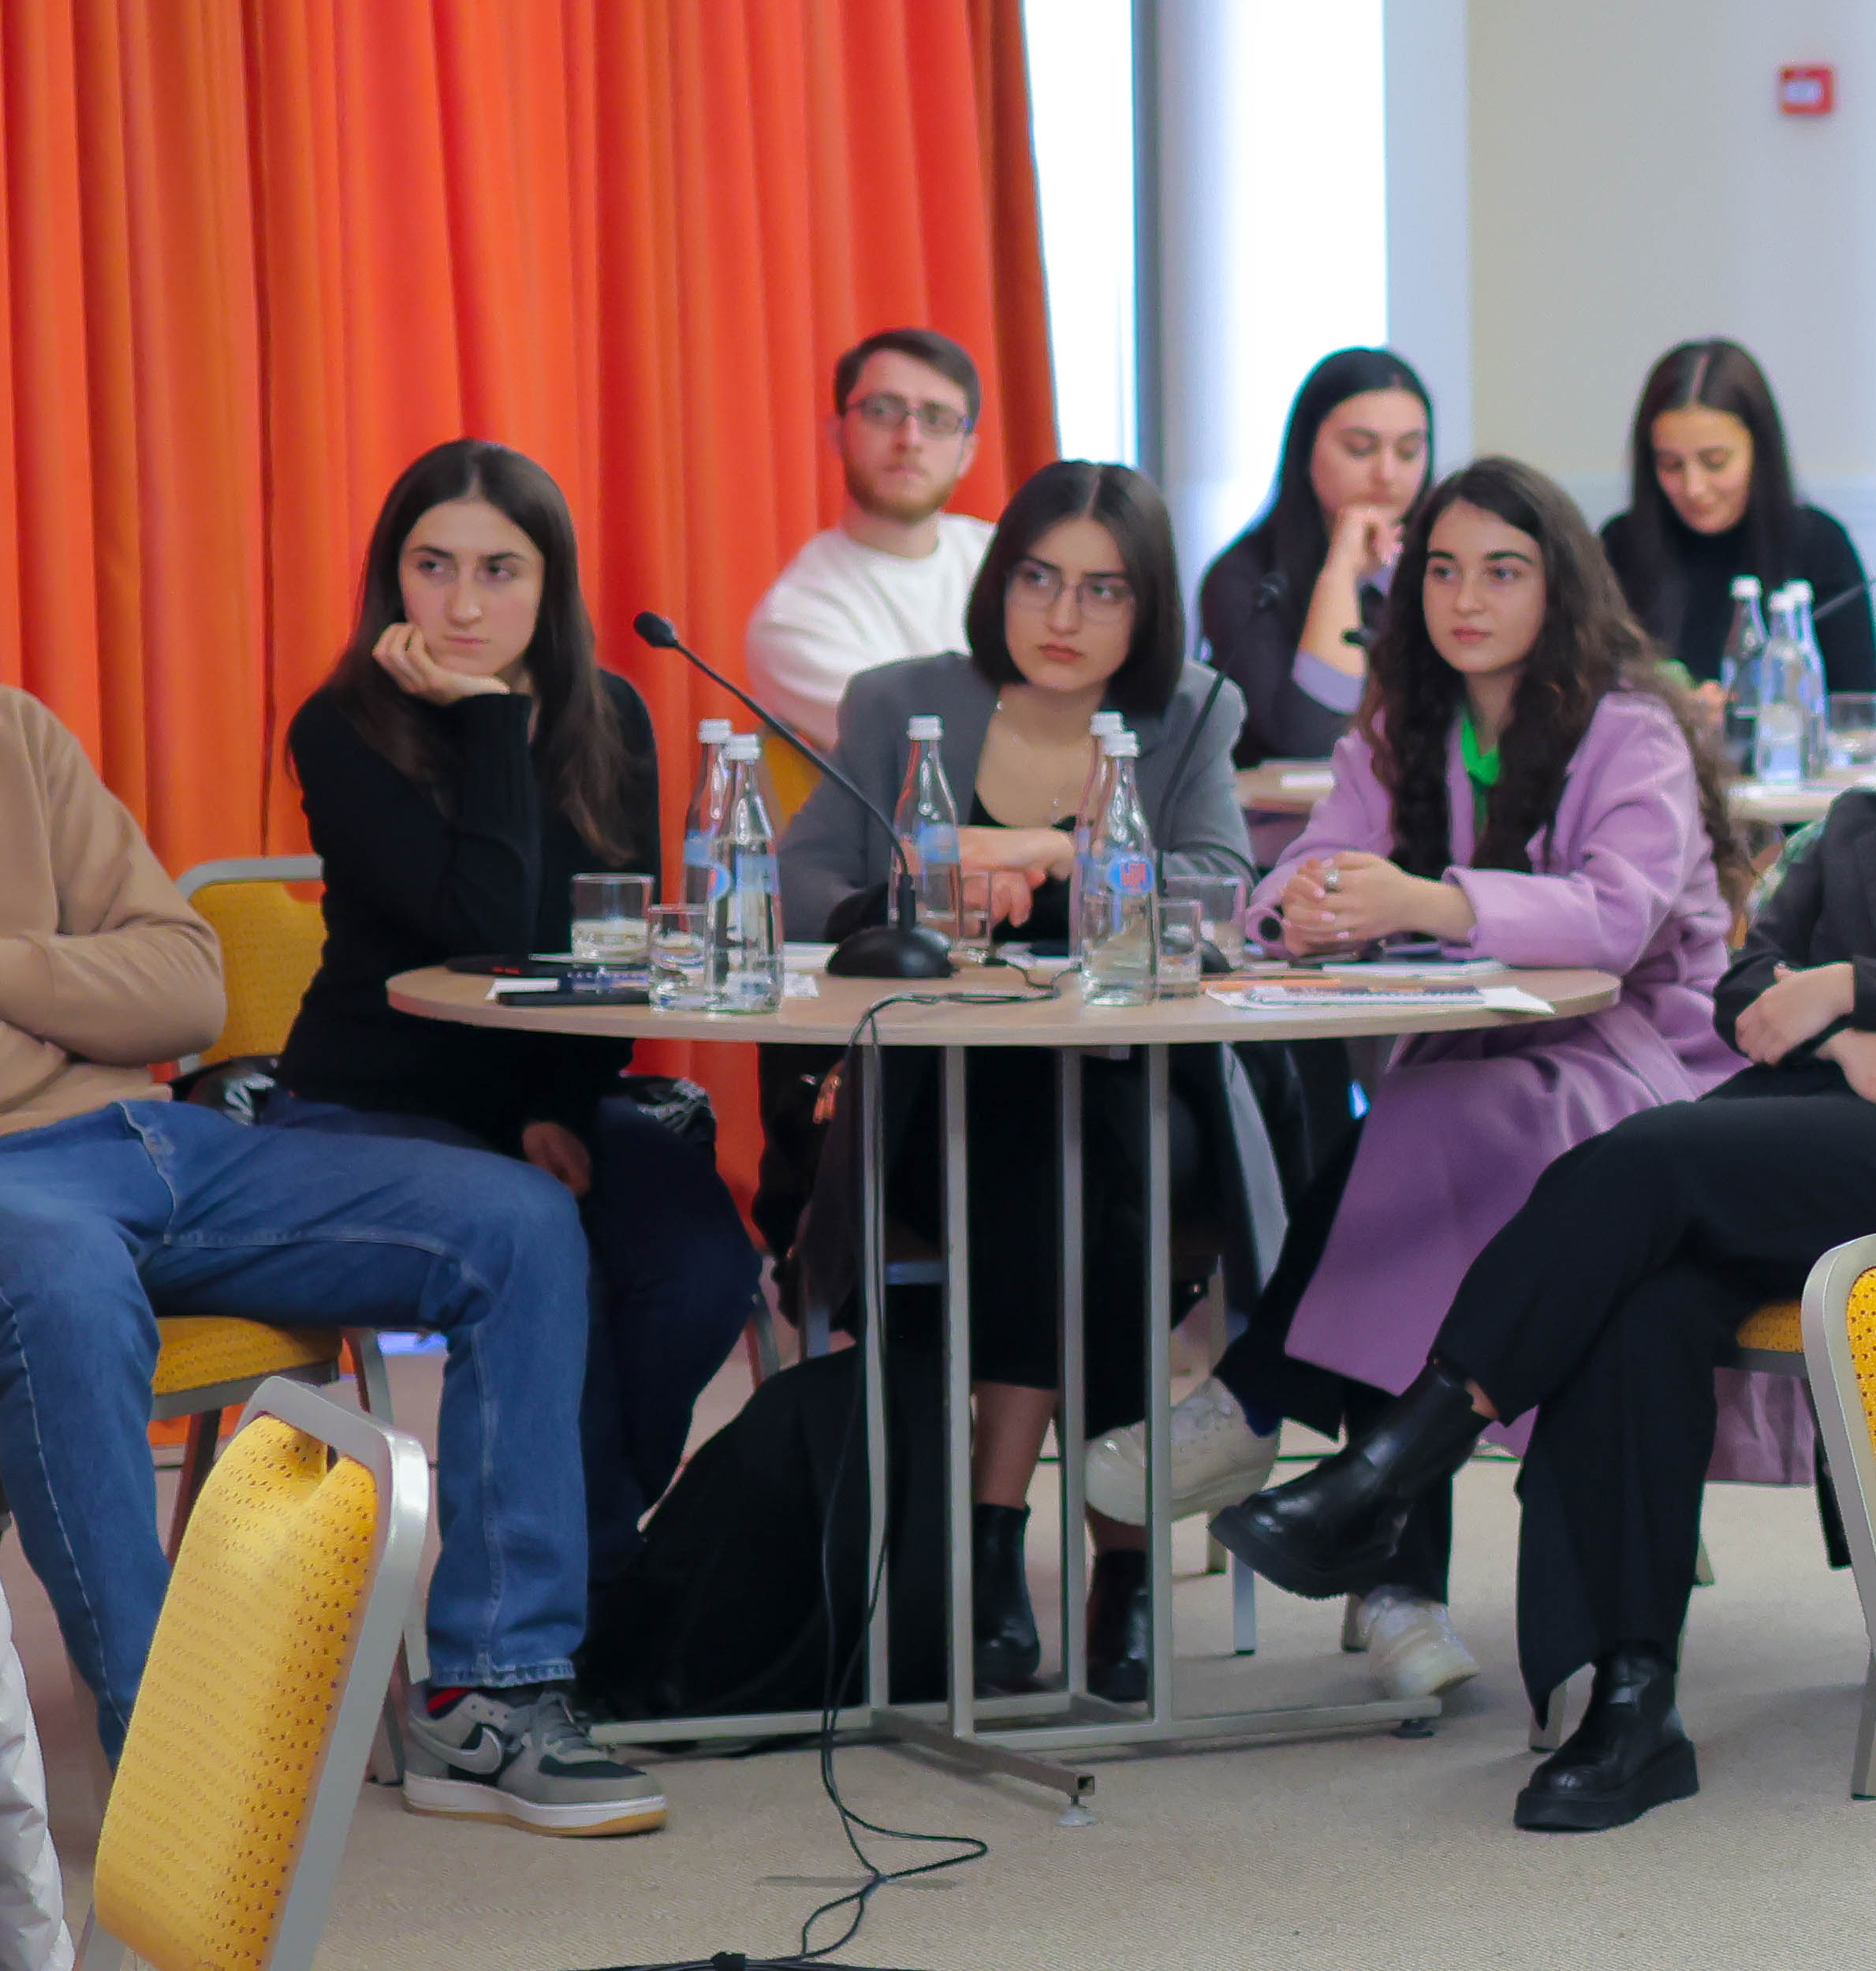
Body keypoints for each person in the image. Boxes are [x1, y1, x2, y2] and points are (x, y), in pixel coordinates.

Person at [1215, 528, 1876, 1831]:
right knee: (1638, 1307)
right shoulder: (1863, 823)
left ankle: (1394, 1463)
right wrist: (1846, 1034)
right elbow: (1746, 983)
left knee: (1638, 1158)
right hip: (1791, 1133)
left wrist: (1851, 987)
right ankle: (1631, 1701)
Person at [0, 684, 654, 1835]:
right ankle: (170, 1771)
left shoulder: (16, 731)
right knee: (64, 1285)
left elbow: (184, 987)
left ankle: (490, 1695)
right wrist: (70, 988)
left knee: (516, 1221)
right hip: (24, 1192)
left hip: (162, 1140)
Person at [1198, 457, 1751, 1707]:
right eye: (1441, 570)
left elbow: (1613, 920)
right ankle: (1381, 1546)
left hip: (1647, 1064)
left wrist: (1431, 901)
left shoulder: (1631, 727)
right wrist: (1304, 906)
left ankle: (1274, 1421)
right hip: (1483, 1059)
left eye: (1502, 571)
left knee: (1427, 1123)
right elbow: (1302, 870)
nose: (1465, 599)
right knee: (1434, 1126)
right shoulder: (1399, 723)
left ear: (1560, 587)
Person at [778, 463, 1262, 1700]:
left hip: (1143, 1096)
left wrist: (1064, 850)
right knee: (1055, 1156)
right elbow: (798, 882)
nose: (1062, 614)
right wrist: (924, 886)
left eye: (1103, 589)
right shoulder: (899, 702)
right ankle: (1115, 1561)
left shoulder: (1194, 711)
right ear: (999, 581)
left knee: (1093, 1144)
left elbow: (1222, 891)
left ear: (1149, 606)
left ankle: (997, 1543)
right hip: (938, 1102)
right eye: (1039, 577)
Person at [273, 440, 762, 1566]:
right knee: (553, 1269)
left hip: (553, 1090)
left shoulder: (611, 715)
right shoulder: (341, 724)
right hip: (371, 1106)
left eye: (500, 571)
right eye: (433, 566)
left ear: (551, 584)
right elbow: (483, 932)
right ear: (391, 577)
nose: (462, 604)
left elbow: (611, 949)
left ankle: (590, 1554)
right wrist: (492, 718)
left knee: (702, 1269)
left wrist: (558, 1104)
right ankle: (566, 1598)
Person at [1599, 337, 1875, 708]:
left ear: (1759, 452)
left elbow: (1856, 707)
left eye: (1715, 462)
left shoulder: (1819, 545)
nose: (1694, 488)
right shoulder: (1620, 545)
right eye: (1671, 465)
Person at [1195, 347, 1435, 769]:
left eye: (1409, 451)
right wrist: (1341, 574)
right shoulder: (1247, 578)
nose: (1387, 474)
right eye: (1360, 449)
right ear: (1306, 451)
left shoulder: (1442, 569)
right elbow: (1311, 739)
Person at [745, 330, 992, 730]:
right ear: (837, 434)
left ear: (967, 453)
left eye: (937, 419)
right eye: (882, 411)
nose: (910, 439)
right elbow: (927, 747)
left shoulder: (1009, 561)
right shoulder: (795, 618)